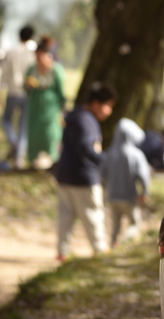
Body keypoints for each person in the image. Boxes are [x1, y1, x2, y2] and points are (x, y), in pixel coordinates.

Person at [55, 83, 116, 261]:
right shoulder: (87, 121)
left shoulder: (74, 116)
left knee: (65, 216)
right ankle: (99, 250)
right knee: (93, 214)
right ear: (96, 103)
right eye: (108, 106)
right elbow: (87, 149)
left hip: (64, 174)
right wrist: (106, 162)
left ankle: (62, 251)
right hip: (83, 177)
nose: (109, 111)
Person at [101, 118, 150, 246]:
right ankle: (124, 243)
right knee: (134, 223)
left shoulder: (109, 153)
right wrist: (144, 192)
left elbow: (102, 175)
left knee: (115, 224)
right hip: (128, 197)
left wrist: (106, 189)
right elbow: (143, 176)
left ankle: (113, 244)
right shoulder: (136, 155)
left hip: (111, 196)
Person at [25, 36, 65, 166]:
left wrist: (61, 110)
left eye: (40, 56)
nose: (38, 59)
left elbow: (61, 92)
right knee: (34, 133)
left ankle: (52, 159)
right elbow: (25, 88)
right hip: (35, 107)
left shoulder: (56, 70)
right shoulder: (32, 69)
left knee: (50, 133)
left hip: (50, 109)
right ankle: (33, 159)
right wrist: (28, 85)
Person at [0, 25, 36, 167]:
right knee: (23, 125)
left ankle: (13, 141)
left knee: (6, 120)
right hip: (27, 93)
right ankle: (19, 157)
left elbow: (4, 73)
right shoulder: (32, 53)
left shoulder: (11, 52)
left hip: (13, 92)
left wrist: (0, 93)